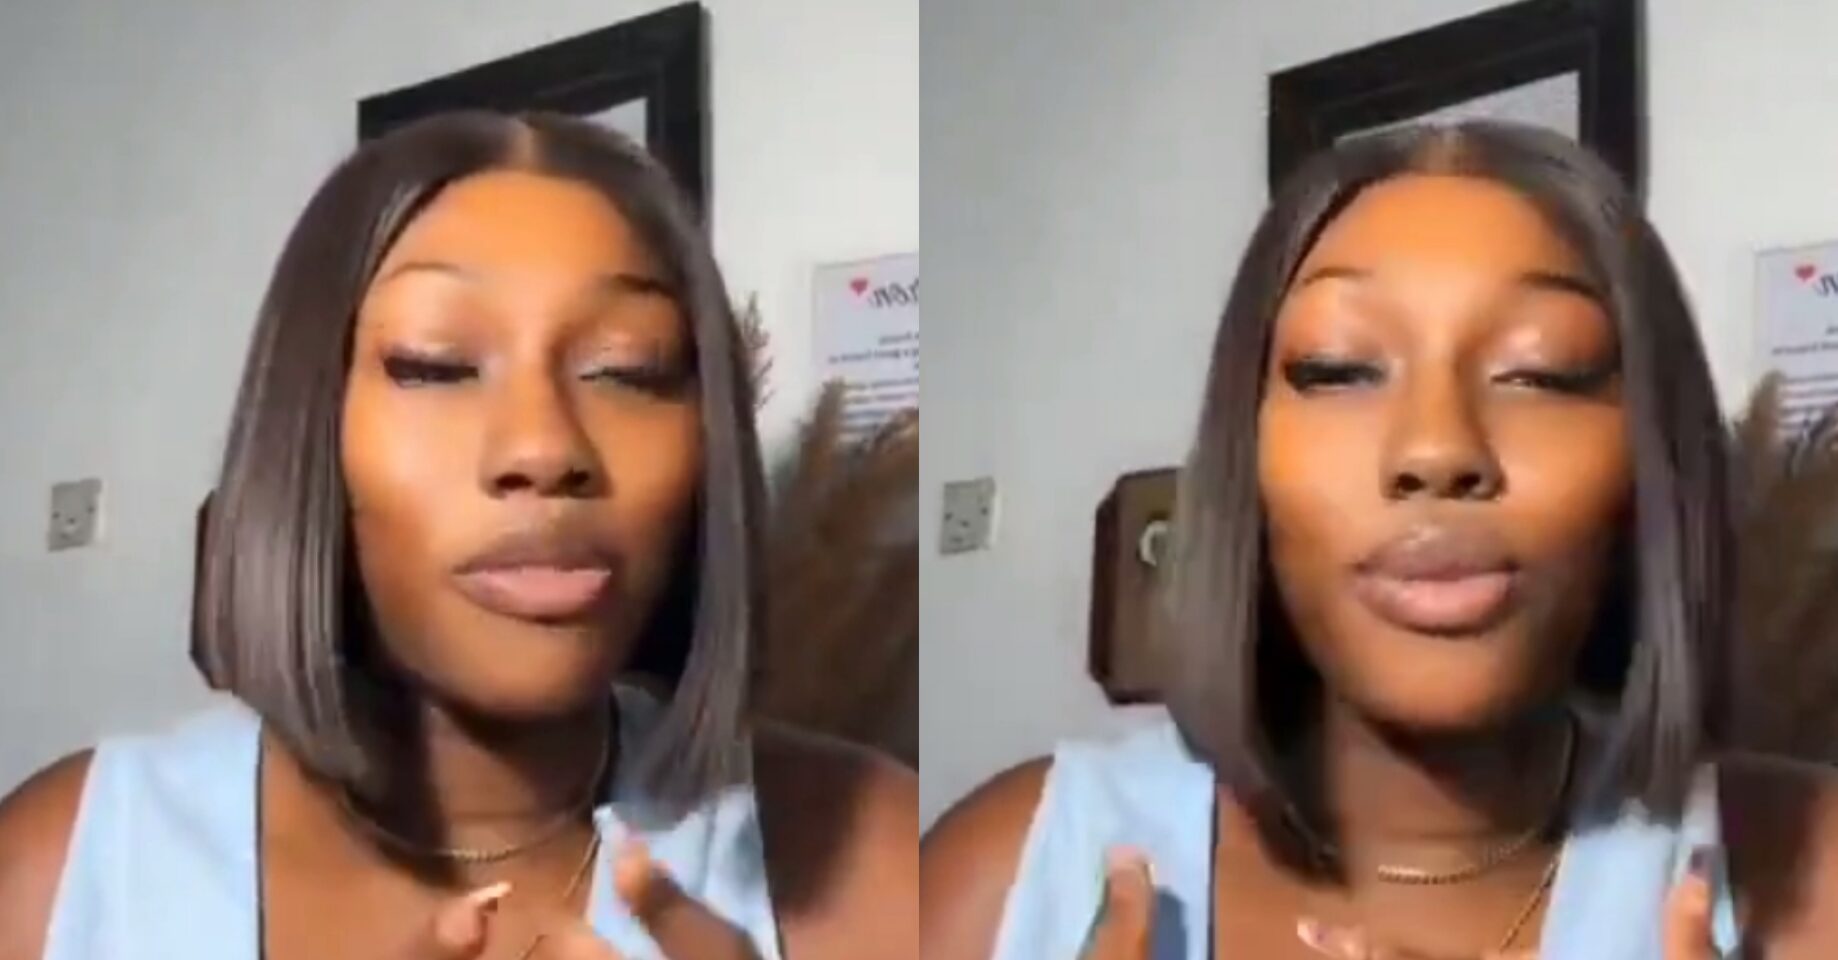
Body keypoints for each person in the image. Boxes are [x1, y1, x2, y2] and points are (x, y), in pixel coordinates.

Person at [0, 111, 916, 960]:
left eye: (626, 369)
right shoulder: (67, 867)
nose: (544, 449)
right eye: (435, 365)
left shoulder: (875, 859)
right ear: (309, 434)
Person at [920, 122, 1838, 958]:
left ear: (1650, 461)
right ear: (1246, 453)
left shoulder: (1811, 877)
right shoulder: (997, 880)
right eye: (1339, 369)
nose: (1436, 450)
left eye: (1541, 371)